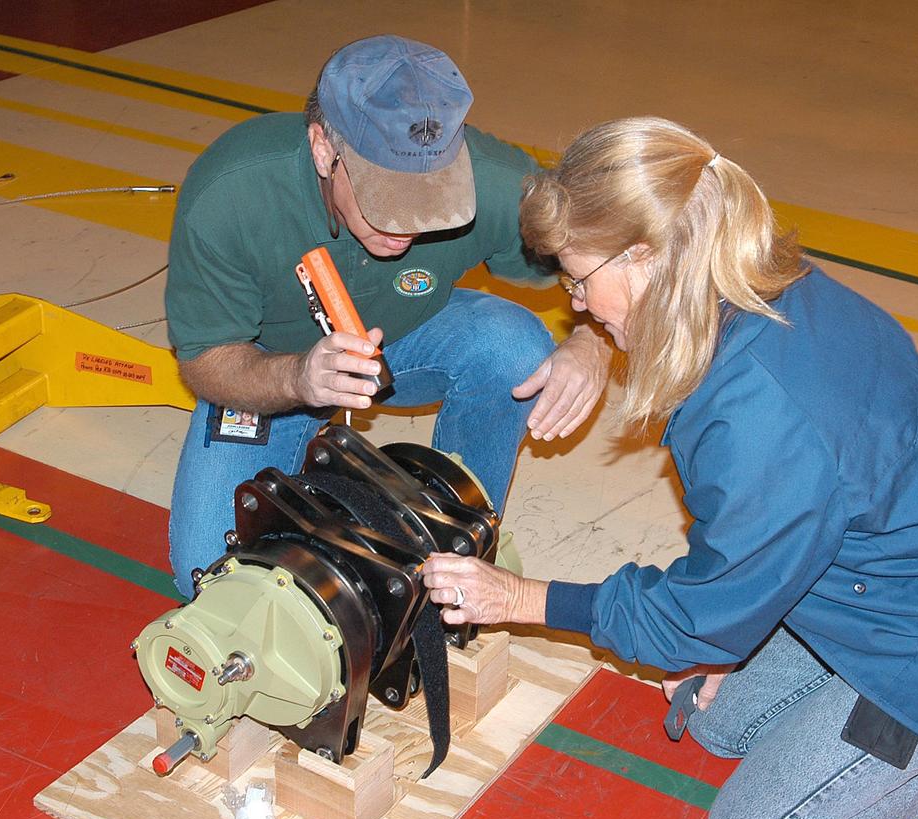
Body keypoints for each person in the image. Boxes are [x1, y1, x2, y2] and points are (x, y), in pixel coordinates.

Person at [423, 117, 918, 819]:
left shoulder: (754, 410)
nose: (578, 305)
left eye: (580, 278)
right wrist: (732, 623)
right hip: (874, 577)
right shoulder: (757, 287)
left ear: (647, 260)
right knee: (717, 725)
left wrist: (522, 598)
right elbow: (760, 540)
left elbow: (695, 614)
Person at [165, 35, 610, 596]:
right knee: (208, 575)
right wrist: (299, 379)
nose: (407, 227)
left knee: (515, 349)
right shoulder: (233, 192)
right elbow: (207, 360)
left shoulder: (497, 182)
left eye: (430, 200)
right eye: (389, 199)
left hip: (403, 337)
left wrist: (593, 341)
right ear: (324, 147)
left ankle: (462, 546)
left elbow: (613, 256)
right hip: (271, 370)